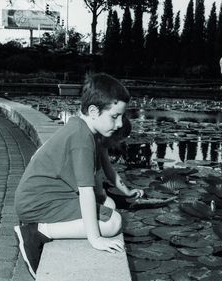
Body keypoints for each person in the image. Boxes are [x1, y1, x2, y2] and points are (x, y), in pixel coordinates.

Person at [13, 73, 144, 280]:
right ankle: (37, 232)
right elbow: (85, 191)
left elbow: (106, 168)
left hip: (42, 198)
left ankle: (40, 228)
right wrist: (95, 238)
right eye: (115, 116)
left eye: (121, 117)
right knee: (114, 223)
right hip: (39, 203)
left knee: (108, 204)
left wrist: (125, 190)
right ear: (93, 111)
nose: (120, 124)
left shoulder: (84, 129)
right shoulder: (82, 139)